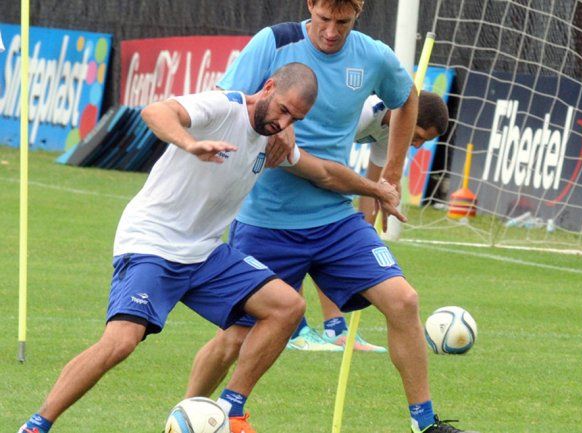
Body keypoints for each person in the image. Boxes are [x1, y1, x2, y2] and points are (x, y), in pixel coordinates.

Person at [16, 62, 404, 433]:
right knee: (121, 342)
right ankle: (37, 424)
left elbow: (322, 172)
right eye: (283, 110)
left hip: (204, 251)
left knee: (287, 307)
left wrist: (376, 189)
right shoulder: (224, 106)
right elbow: (156, 111)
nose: (284, 122)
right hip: (154, 242)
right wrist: (190, 143)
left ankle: (230, 410)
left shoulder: (274, 136)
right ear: (268, 88)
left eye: (294, 120)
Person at [185, 2, 476, 432]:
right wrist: (271, 118)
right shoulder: (274, 42)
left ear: (358, 12)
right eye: (324, 20)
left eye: (343, 22)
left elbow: (408, 98)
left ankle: (425, 424)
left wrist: (392, 174)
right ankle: (188, 414)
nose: (331, 32)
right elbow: (225, 103)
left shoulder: (372, 55)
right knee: (236, 337)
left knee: (404, 302)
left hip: (336, 223)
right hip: (267, 222)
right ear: (311, 5)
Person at [290, 91, 450, 353]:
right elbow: (318, 149)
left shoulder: (389, 132)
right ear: (407, 117)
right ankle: (296, 330)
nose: (418, 146)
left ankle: (335, 329)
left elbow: (373, 187)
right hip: (291, 156)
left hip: (320, 165)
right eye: (419, 136)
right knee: (309, 232)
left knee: (336, 238)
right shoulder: (364, 111)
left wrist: (363, 238)